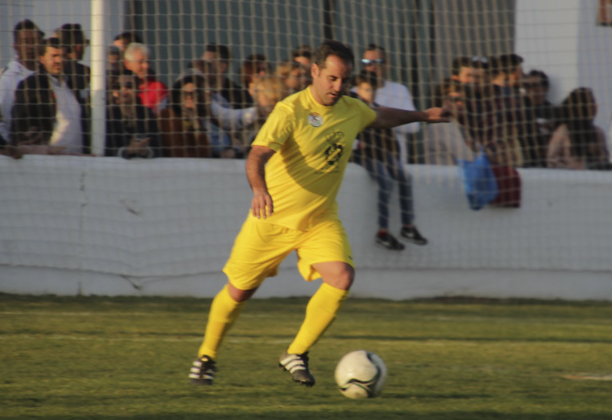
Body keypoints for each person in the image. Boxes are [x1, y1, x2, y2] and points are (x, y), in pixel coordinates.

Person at [187, 40, 448, 387]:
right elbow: (256, 156)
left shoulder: (351, 108)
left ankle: (296, 352)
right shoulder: (290, 110)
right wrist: (260, 189)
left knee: (341, 277)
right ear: (314, 72)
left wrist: (424, 115)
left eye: (344, 80)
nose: (338, 87)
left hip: (319, 220)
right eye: (332, 78)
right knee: (239, 291)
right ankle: (206, 357)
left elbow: (381, 116)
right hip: (272, 220)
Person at [352, 71, 428, 250]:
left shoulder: (378, 109)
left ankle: (407, 225)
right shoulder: (352, 108)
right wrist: (355, 144)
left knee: (404, 177)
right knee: (385, 182)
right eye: (365, 89)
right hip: (365, 156)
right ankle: (383, 231)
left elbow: (390, 135)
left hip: (384, 154)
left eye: (372, 90)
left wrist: (393, 155)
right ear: (358, 89)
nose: (370, 93)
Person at [11, 38, 83, 155]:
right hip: (48, 160)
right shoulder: (33, 84)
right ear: (41, 58)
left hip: (77, 159)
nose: (59, 60)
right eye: (54, 56)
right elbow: (23, 125)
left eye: (63, 56)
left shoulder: (71, 85)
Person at [0, 19, 44, 140]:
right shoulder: (6, 79)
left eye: (34, 41)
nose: (30, 47)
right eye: (25, 42)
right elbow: (0, 123)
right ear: (16, 45)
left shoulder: (47, 76)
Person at [545, 87, 610, 170]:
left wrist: (596, 153)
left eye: (594, 102)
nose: (594, 106)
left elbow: (605, 160)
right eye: (590, 103)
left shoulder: (598, 133)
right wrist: (570, 171)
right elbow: (552, 160)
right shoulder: (563, 132)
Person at [105, 73, 161, 159]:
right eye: (118, 86)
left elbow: (158, 147)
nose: (123, 89)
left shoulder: (147, 113)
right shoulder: (107, 115)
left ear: (138, 90)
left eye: (129, 85)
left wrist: (145, 151)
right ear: (114, 91)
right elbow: (103, 149)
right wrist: (127, 151)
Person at [202, 44, 249, 108]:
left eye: (208, 64)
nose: (203, 67)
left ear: (222, 67)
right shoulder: (198, 93)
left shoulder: (240, 96)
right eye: (201, 63)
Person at [123, 43, 168, 111]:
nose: (146, 66)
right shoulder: (120, 88)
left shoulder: (158, 88)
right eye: (140, 62)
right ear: (127, 63)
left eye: (148, 62)